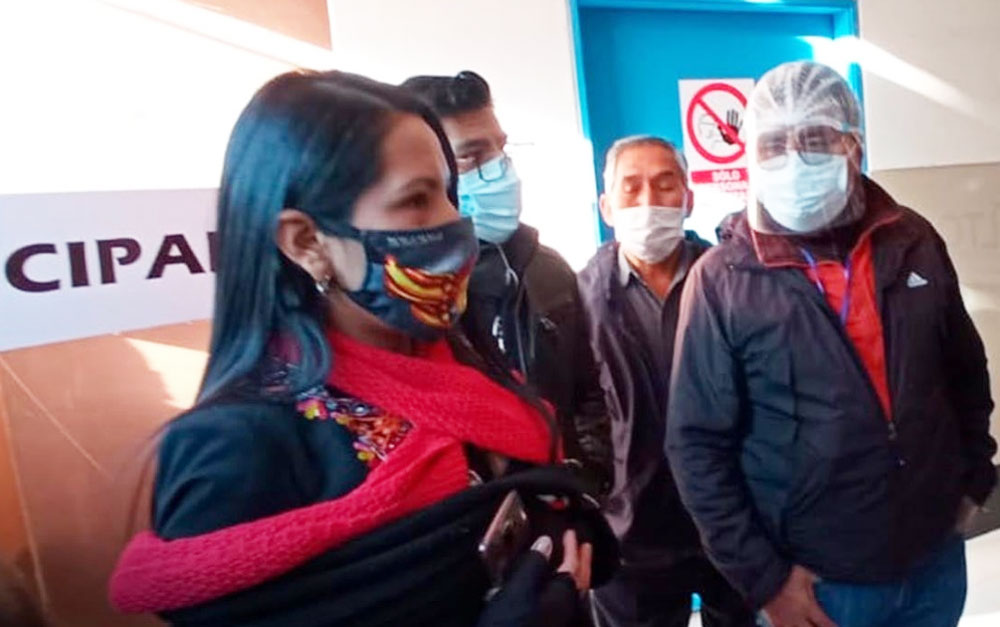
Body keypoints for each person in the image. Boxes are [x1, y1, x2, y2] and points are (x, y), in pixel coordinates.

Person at [107, 70, 618, 626]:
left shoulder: (461, 362)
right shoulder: (236, 446)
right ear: (307, 242)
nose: (455, 222)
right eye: (417, 200)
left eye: (447, 194)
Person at [668, 61, 997, 627]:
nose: (795, 158)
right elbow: (696, 445)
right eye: (774, 144)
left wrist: (976, 479)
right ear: (752, 156)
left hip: (934, 559)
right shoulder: (723, 280)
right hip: (819, 584)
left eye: (815, 139)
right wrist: (765, 581)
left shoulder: (912, 240)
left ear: (853, 147)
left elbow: (964, 371)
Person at [401, 71, 613, 497]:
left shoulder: (547, 271)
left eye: (501, 149)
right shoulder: (402, 297)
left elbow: (588, 397)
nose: (501, 170)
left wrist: (586, 481)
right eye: (472, 157)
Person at [578, 135, 755, 627]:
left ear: (688, 198)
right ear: (606, 206)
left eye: (664, 184)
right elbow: (575, 410)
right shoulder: (577, 298)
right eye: (631, 187)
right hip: (631, 536)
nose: (648, 201)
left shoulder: (732, 282)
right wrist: (602, 495)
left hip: (732, 522)